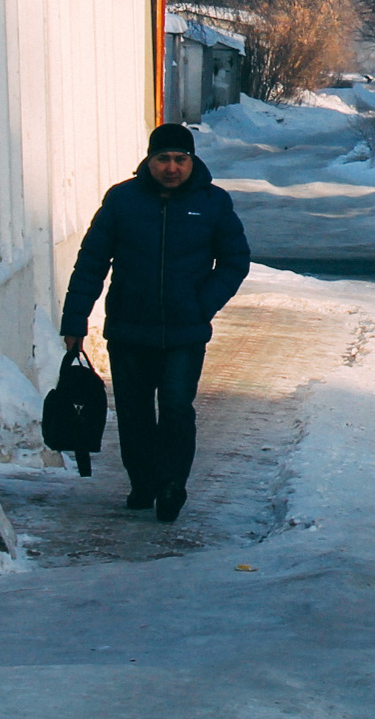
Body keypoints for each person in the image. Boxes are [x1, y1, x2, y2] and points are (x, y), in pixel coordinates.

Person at [60, 123, 251, 521]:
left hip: (185, 332)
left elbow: (234, 261)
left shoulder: (212, 203)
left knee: (177, 409)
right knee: (134, 412)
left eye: (180, 159)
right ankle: (143, 482)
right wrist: (75, 320)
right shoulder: (122, 201)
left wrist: (203, 304)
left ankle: (171, 485)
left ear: (192, 160)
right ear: (148, 161)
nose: (171, 168)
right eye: (163, 159)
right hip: (130, 329)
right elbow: (91, 263)